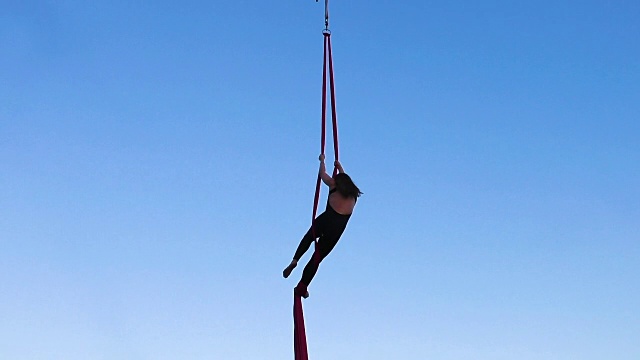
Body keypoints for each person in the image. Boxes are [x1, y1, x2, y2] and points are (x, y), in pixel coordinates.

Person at [283, 154, 362, 298]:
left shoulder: (333, 185)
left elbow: (322, 174)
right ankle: (303, 286)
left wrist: (322, 161)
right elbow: (344, 179)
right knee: (316, 258)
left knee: (308, 238)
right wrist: (340, 168)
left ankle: (295, 260)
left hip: (325, 220)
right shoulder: (353, 196)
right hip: (336, 231)